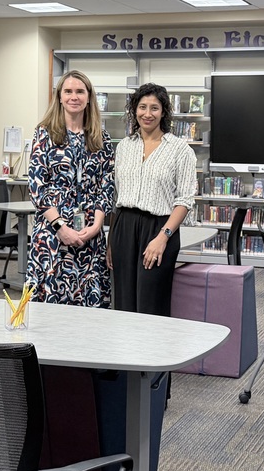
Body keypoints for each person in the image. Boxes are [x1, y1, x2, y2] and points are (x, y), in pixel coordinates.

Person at [26, 70, 115, 306]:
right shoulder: (44, 133)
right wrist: (60, 227)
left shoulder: (101, 138)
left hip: (90, 235)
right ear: (59, 97)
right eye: (68, 91)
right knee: (51, 306)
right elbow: (36, 185)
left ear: (88, 97)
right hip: (52, 234)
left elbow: (106, 184)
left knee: (90, 304)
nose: (73, 97)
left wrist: (97, 225)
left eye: (79, 91)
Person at [110, 83, 198, 316]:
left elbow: (185, 199)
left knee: (151, 303)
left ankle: (153, 352)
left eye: (154, 108)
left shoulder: (180, 150)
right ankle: (125, 352)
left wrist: (163, 237)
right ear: (134, 110)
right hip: (124, 226)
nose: (147, 114)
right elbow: (117, 197)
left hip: (159, 228)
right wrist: (112, 240)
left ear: (164, 112)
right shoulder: (124, 147)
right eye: (142, 107)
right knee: (124, 303)